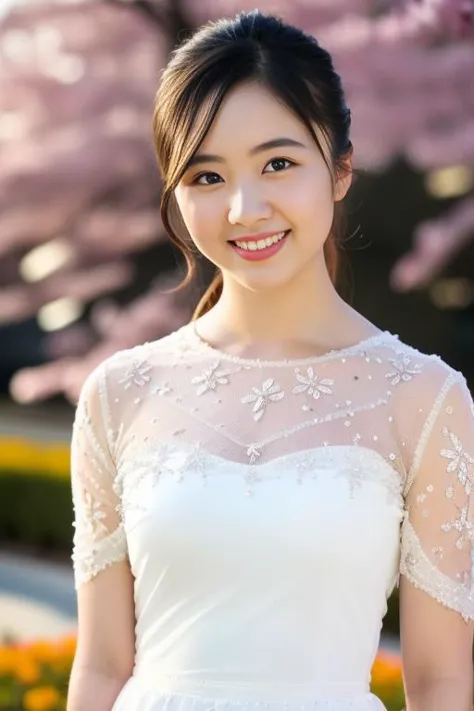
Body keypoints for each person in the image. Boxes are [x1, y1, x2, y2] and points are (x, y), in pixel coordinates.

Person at [66, 11, 474, 711]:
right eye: (206, 176)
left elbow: (439, 681)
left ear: (340, 169)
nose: (244, 208)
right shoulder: (119, 392)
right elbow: (103, 663)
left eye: (278, 163)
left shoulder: (424, 398)